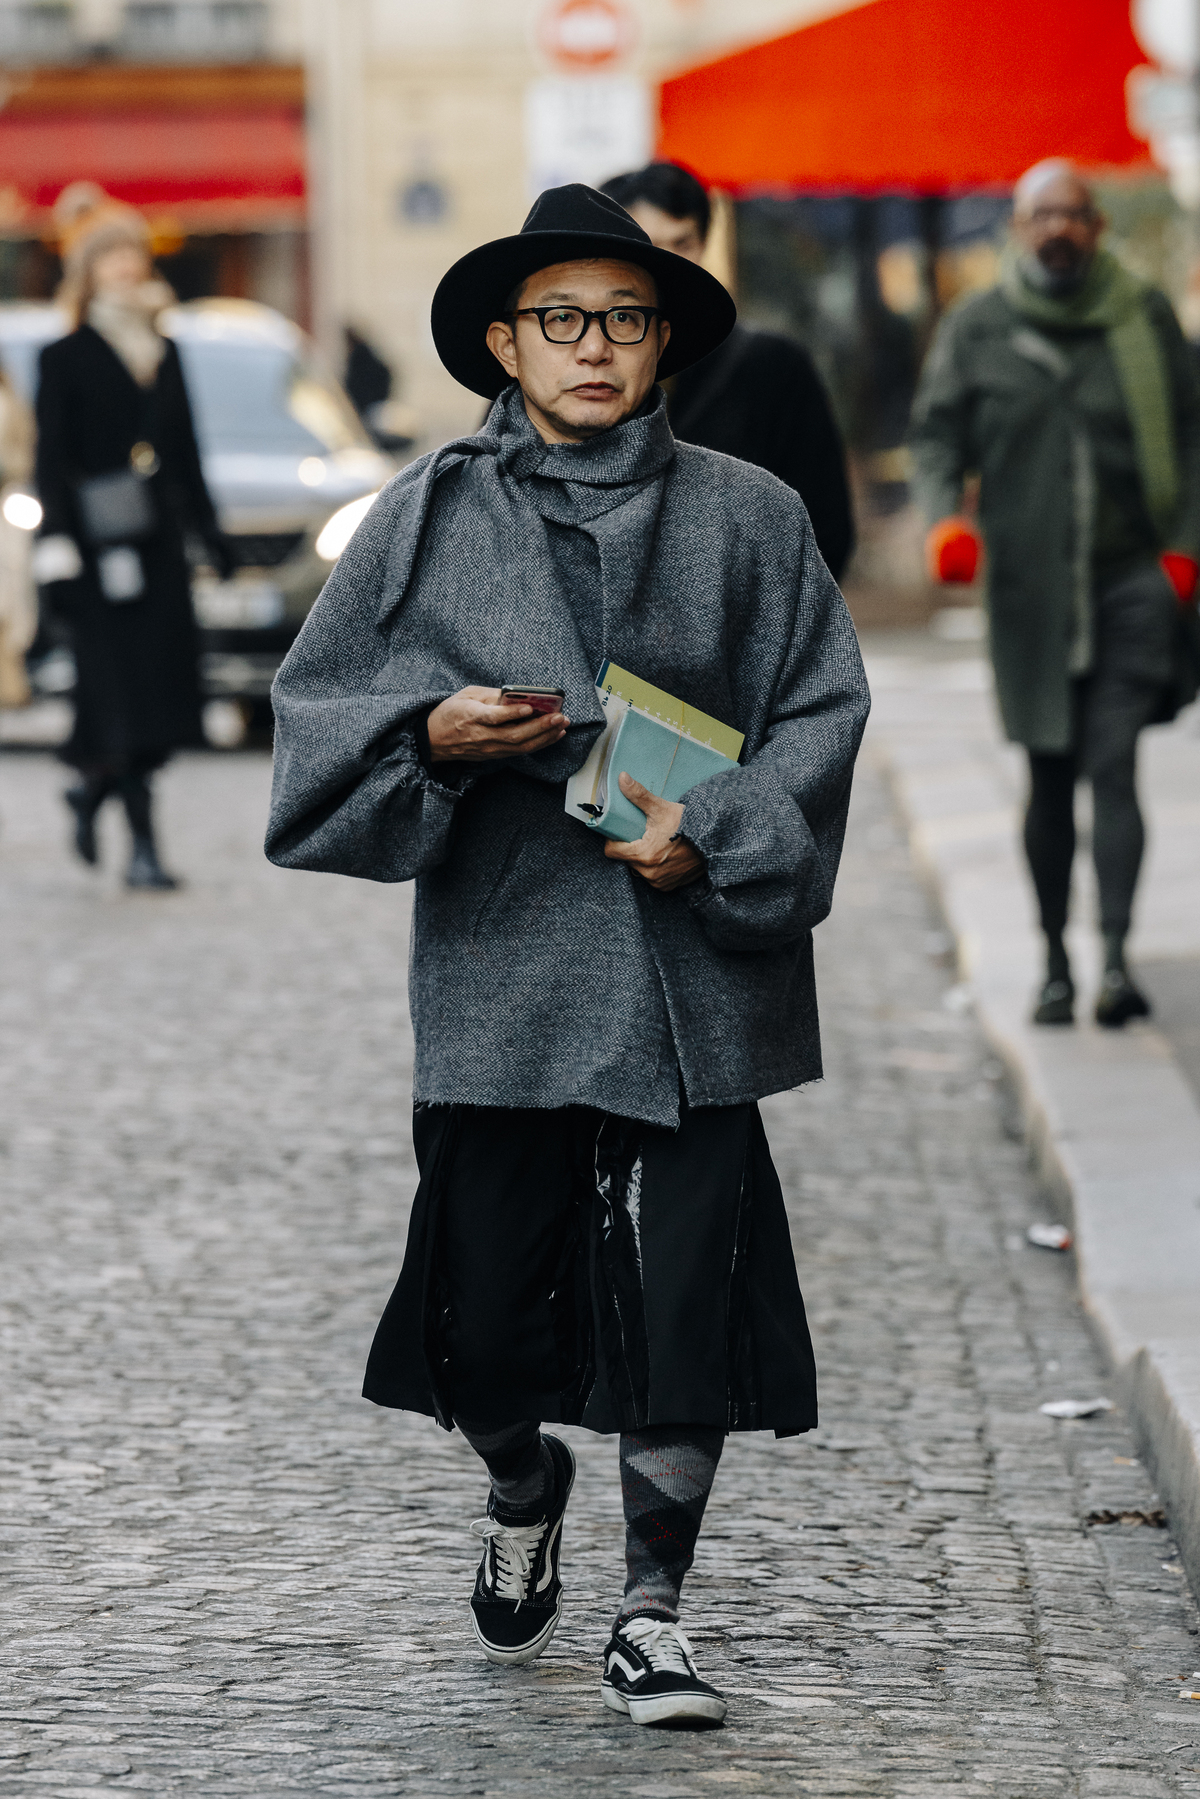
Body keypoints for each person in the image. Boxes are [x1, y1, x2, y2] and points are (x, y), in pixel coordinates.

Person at [265, 184, 869, 1726]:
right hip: (504, 977)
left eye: (626, 318)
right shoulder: (421, 512)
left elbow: (821, 711)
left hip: (693, 978)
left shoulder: (751, 512)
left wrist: (720, 831)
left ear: (666, 341)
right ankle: (521, 1484)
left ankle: (652, 1610)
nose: (596, 347)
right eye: (563, 319)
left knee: (686, 1310)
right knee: (480, 1332)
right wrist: (435, 734)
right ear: (501, 339)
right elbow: (316, 725)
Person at [911, 159, 1200, 1028]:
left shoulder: (1143, 316)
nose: (1058, 229)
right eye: (1042, 215)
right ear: (1018, 226)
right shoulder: (980, 327)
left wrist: (1183, 551)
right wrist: (944, 522)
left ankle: (1113, 960)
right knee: (1049, 773)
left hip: (1132, 584)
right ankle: (1051, 964)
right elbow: (935, 437)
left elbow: (1193, 437)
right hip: (1031, 595)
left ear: (1098, 226)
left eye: (1074, 213)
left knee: (1113, 766)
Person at [33, 183, 232, 889]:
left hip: (158, 545)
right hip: (94, 551)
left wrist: (214, 537)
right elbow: (50, 460)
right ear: (87, 268)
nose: (124, 265)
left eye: (131, 252)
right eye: (108, 253)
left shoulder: (168, 348)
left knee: (161, 691)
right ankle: (142, 847)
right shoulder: (65, 354)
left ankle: (90, 790)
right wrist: (53, 545)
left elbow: (187, 452)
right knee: (117, 696)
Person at [600, 161, 855, 582]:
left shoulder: (773, 367)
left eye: (682, 243)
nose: (668, 263)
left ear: (705, 245)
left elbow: (825, 529)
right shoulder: (575, 367)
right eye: (650, 245)